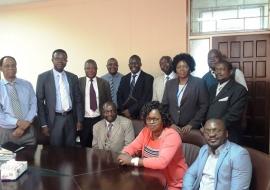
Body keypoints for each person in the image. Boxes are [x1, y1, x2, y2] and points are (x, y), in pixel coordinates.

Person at [118, 101, 187, 190]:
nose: (151, 122)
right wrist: (125, 153)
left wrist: (132, 161)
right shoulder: (146, 131)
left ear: (163, 119)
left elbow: (162, 162)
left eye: (155, 119)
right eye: (148, 119)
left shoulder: (172, 136)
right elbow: (133, 146)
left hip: (173, 184)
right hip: (151, 179)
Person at [183, 119, 252, 190]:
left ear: (226, 133)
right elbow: (190, 174)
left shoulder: (239, 154)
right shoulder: (204, 149)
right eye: (207, 131)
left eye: (217, 131)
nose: (211, 134)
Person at [36, 49, 83, 147]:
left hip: (71, 118)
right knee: (56, 150)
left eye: (63, 59)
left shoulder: (73, 77)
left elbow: (78, 100)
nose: (60, 61)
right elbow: (39, 103)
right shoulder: (43, 77)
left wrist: (79, 120)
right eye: (57, 58)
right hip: (54, 119)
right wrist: (43, 124)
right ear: (52, 60)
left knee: (71, 148)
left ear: (66, 61)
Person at [162, 53, 209, 135]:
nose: (182, 69)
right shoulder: (169, 84)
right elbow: (164, 106)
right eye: (178, 67)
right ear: (175, 69)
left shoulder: (199, 83)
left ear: (190, 67)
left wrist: (192, 124)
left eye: (185, 66)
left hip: (191, 129)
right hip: (172, 128)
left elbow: (204, 106)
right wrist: (170, 123)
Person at [207, 59, 248, 144]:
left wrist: (215, 128)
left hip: (229, 134)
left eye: (222, 69)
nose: (218, 72)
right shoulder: (212, 88)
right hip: (210, 134)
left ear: (230, 72)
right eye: (216, 69)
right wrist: (204, 126)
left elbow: (234, 114)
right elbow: (207, 108)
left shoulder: (239, 89)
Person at [0, 56, 36, 145]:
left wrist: (23, 126)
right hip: (7, 133)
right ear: (1, 68)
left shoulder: (27, 84)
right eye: (7, 66)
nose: (11, 68)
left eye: (13, 65)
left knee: (31, 158)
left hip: (28, 131)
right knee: (7, 159)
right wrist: (17, 122)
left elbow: (34, 105)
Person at [78, 59, 111, 147]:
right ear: (84, 69)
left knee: (99, 144)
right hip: (84, 120)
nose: (91, 70)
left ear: (97, 69)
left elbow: (109, 102)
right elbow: (76, 102)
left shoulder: (104, 83)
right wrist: (78, 120)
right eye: (88, 68)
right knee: (84, 144)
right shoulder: (78, 82)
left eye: (93, 68)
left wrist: (107, 119)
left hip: (99, 119)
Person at [117, 55, 154, 119]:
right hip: (124, 115)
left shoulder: (148, 78)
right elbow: (119, 95)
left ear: (140, 64)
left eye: (136, 63)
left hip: (140, 115)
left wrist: (130, 111)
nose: (133, 65)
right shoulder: (124, 78)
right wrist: (123, 110)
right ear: (129, 65)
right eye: (131, 63)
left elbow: (146, 98)